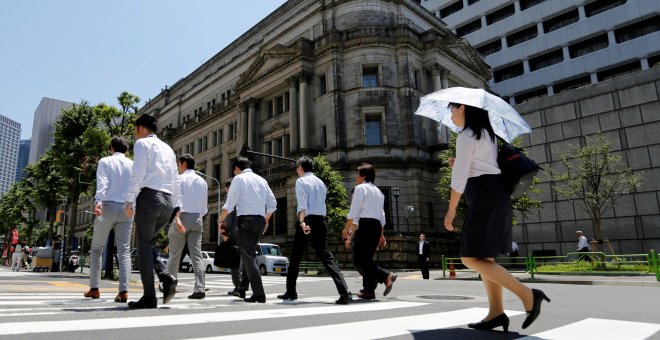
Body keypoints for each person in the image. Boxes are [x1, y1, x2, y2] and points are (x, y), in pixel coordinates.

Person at [443, 102, 549, 332]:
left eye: (451, 109)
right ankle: (496, 313)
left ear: (462, 108)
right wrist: (459, 163)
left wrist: (451, 210)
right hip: (495, 194)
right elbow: (480, 166)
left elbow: (460, 179)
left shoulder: (467, 135)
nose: (449, 115)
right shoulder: (487, 135)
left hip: (484, 198)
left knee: (470, 258)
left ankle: (529, 295)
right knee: (485, 259)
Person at [124, 113, 182, 309]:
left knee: (143, 247)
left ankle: (150, 295)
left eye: (135, 130)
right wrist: (176, 206)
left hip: (149, 198)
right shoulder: (168, 149)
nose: (135, 135)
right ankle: (165, 277)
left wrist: (130, 199)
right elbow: (175, 179)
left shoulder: (142, 144)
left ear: (140, 128)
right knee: (147, 245)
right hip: (167, 202)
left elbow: (138, 172)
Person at [278, 156, 352, 304]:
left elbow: (303, 205)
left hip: (308, 221)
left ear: (300, 168)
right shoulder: (320, 182)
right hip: (320, 221)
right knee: (327, 257)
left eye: (297, 167)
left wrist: (302, 222)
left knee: (295, 258)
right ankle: (345, 291)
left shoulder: (301, 181)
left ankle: (291, 292)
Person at [218, 156, 276, 303]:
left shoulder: (239, 179)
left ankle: (259, 293)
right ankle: (244, 288)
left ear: (237, 168)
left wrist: (221, 219)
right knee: (249, 255)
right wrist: (266, 219)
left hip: (246, 221)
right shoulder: (262, 180)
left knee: (248, 257)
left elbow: (229, 205)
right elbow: (273, 203)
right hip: (259, 221)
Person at [83, 137, 134, 302]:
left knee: (97, 249)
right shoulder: (133, 165)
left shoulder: (105, 162)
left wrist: (98, 201)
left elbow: (102, 183)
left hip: (108, 206)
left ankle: (95, 288)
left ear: (111, 147)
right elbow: (136, 187)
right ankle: (123, 291)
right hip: (127, 209)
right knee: (124, 251)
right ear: (126, 150)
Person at [342, 163, 396, 300]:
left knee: (359, 260)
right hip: (376, 226)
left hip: (365, 225)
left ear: (363, 176)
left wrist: (346, 228)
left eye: (357, 174)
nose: (356, 177)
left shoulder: (360, 189)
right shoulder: (378, 192)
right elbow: (382, 215)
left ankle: (385, 276)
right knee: (366, 260)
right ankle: (368, 291)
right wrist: (381, 234)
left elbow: (354, 211)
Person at [166, 154, 208, 300]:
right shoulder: (203, 181)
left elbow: (177, 201)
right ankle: (200, 288)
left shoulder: (179, 179)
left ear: (183, 163)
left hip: (182, 217)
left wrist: (177, 219)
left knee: (175, 255)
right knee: (197, 256)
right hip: (197, 218)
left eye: (179, 163)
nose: (178, 166)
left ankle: (170, 287)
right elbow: (204, 208)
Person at [221, 178, 248, 297]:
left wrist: (224, 234)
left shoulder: (230, 197)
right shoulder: (243, 196)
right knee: (242, 261)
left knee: (234, 263)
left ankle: (238, 286)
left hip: (233, 233)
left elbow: (228, 217)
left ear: (228, 188)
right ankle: (242, 286)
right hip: (244, 232)